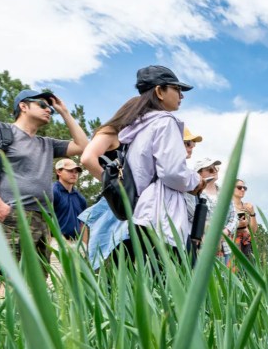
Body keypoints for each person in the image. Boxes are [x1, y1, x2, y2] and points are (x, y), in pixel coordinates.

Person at [79, 65, 204, 265]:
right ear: (159, 91)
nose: (182, 95)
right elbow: (172, 173)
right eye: (177, 89)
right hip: (162, 216)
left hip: (141, 213)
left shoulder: (135, 128)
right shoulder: (165, 122)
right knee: (184, 283)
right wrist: (195, 179)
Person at [0, 89, 88, 261]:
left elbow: (83, 146)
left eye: (51, 109)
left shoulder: (47, 144)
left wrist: (64, 112)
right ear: (23, 106)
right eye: (42, 105)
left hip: (44, 219)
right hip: (13, 214)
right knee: (11, 279)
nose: (48, 110)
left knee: (37, 284)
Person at [192, 157, 237, 262]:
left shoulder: (225, 193)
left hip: (225, 247)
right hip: (203, 245)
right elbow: (193, 217)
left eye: (216, 169)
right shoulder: (194, 193)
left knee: (223, 277)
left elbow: (234, 217)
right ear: (199, 174)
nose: (214, 171)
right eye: (210, 169)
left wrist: (225, 232)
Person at [52, 158, 87, 241]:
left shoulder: (80, 198)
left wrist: (84, 246)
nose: (74, 174)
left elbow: (83, 224)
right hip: (56, 242)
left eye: (76, 172)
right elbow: (45, 220)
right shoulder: (52, 192)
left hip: (77, 243)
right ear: (58, 172)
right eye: (70, 171)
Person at [232, 178, 258, 262]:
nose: (243, 189)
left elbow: (253, 231)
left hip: (246, 246)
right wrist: (238, 225)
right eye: (239, 187)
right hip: (232, 245)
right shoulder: (227, 207)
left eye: (244, 188)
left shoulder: (247, 207)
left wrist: (252, 213)